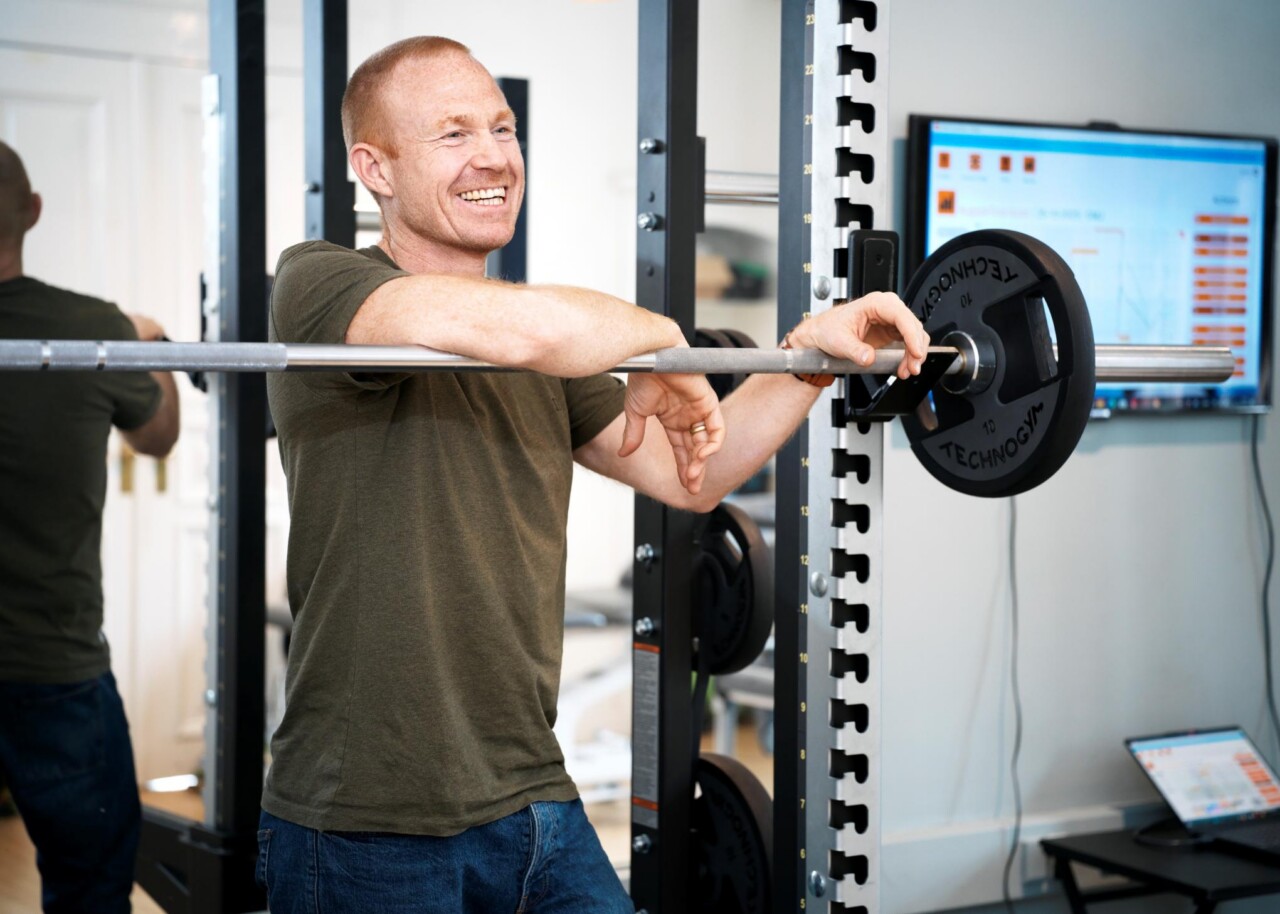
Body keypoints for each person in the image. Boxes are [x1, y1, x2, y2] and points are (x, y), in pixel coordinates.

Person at [258, 36, 929, 913]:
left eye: (502, 128)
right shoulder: (319, 285)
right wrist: (656, 338)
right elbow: (529, 331)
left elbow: (694, 474)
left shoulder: (547, 347)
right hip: (366, 816)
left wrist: (810, 357)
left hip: (532, 795)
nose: (494, 155)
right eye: (453, 134)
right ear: (373, 168)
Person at [0, 141, 180, 912]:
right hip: (54, 669)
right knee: (90, 888)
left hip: (55, 667)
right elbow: (159, 435)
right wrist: (150, 344)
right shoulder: (87, 329)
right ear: (34, 211)